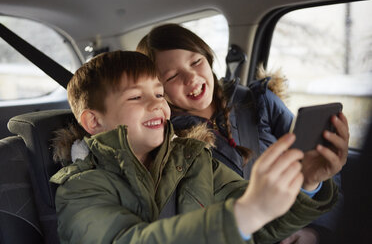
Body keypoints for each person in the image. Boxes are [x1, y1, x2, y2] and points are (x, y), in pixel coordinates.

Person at [50, 50, 342, 244]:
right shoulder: (80, 188)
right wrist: (245, 213)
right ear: (93, 121)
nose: (157, 105)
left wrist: (306, 182)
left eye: (160, 94)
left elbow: (261, 223)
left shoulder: (194, 159)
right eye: (136, 98)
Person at [136, 23, 350, 244]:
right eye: (172, 76)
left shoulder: (259, 101)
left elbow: (318, 167)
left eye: (196, 62)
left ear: (208, 58)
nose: (190, 78)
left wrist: (315, 230)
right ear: (157, 89)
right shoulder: (168, 145)